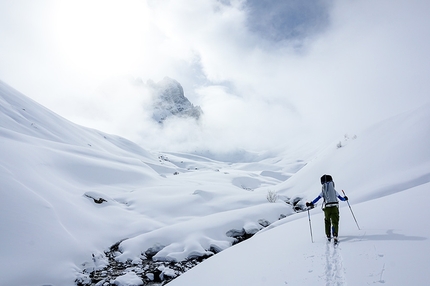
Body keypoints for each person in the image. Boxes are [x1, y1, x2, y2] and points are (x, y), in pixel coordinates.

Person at [306, 174, 348, 243]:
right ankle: (335, 235)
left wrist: (310, 203)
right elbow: (341, 198)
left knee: (327, 221)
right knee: (335, 221)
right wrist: (345, 198)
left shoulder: (323, 191)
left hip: (327, 208)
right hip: (334, 207)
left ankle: (328, 235)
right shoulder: (334, 191)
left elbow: (317, 198)